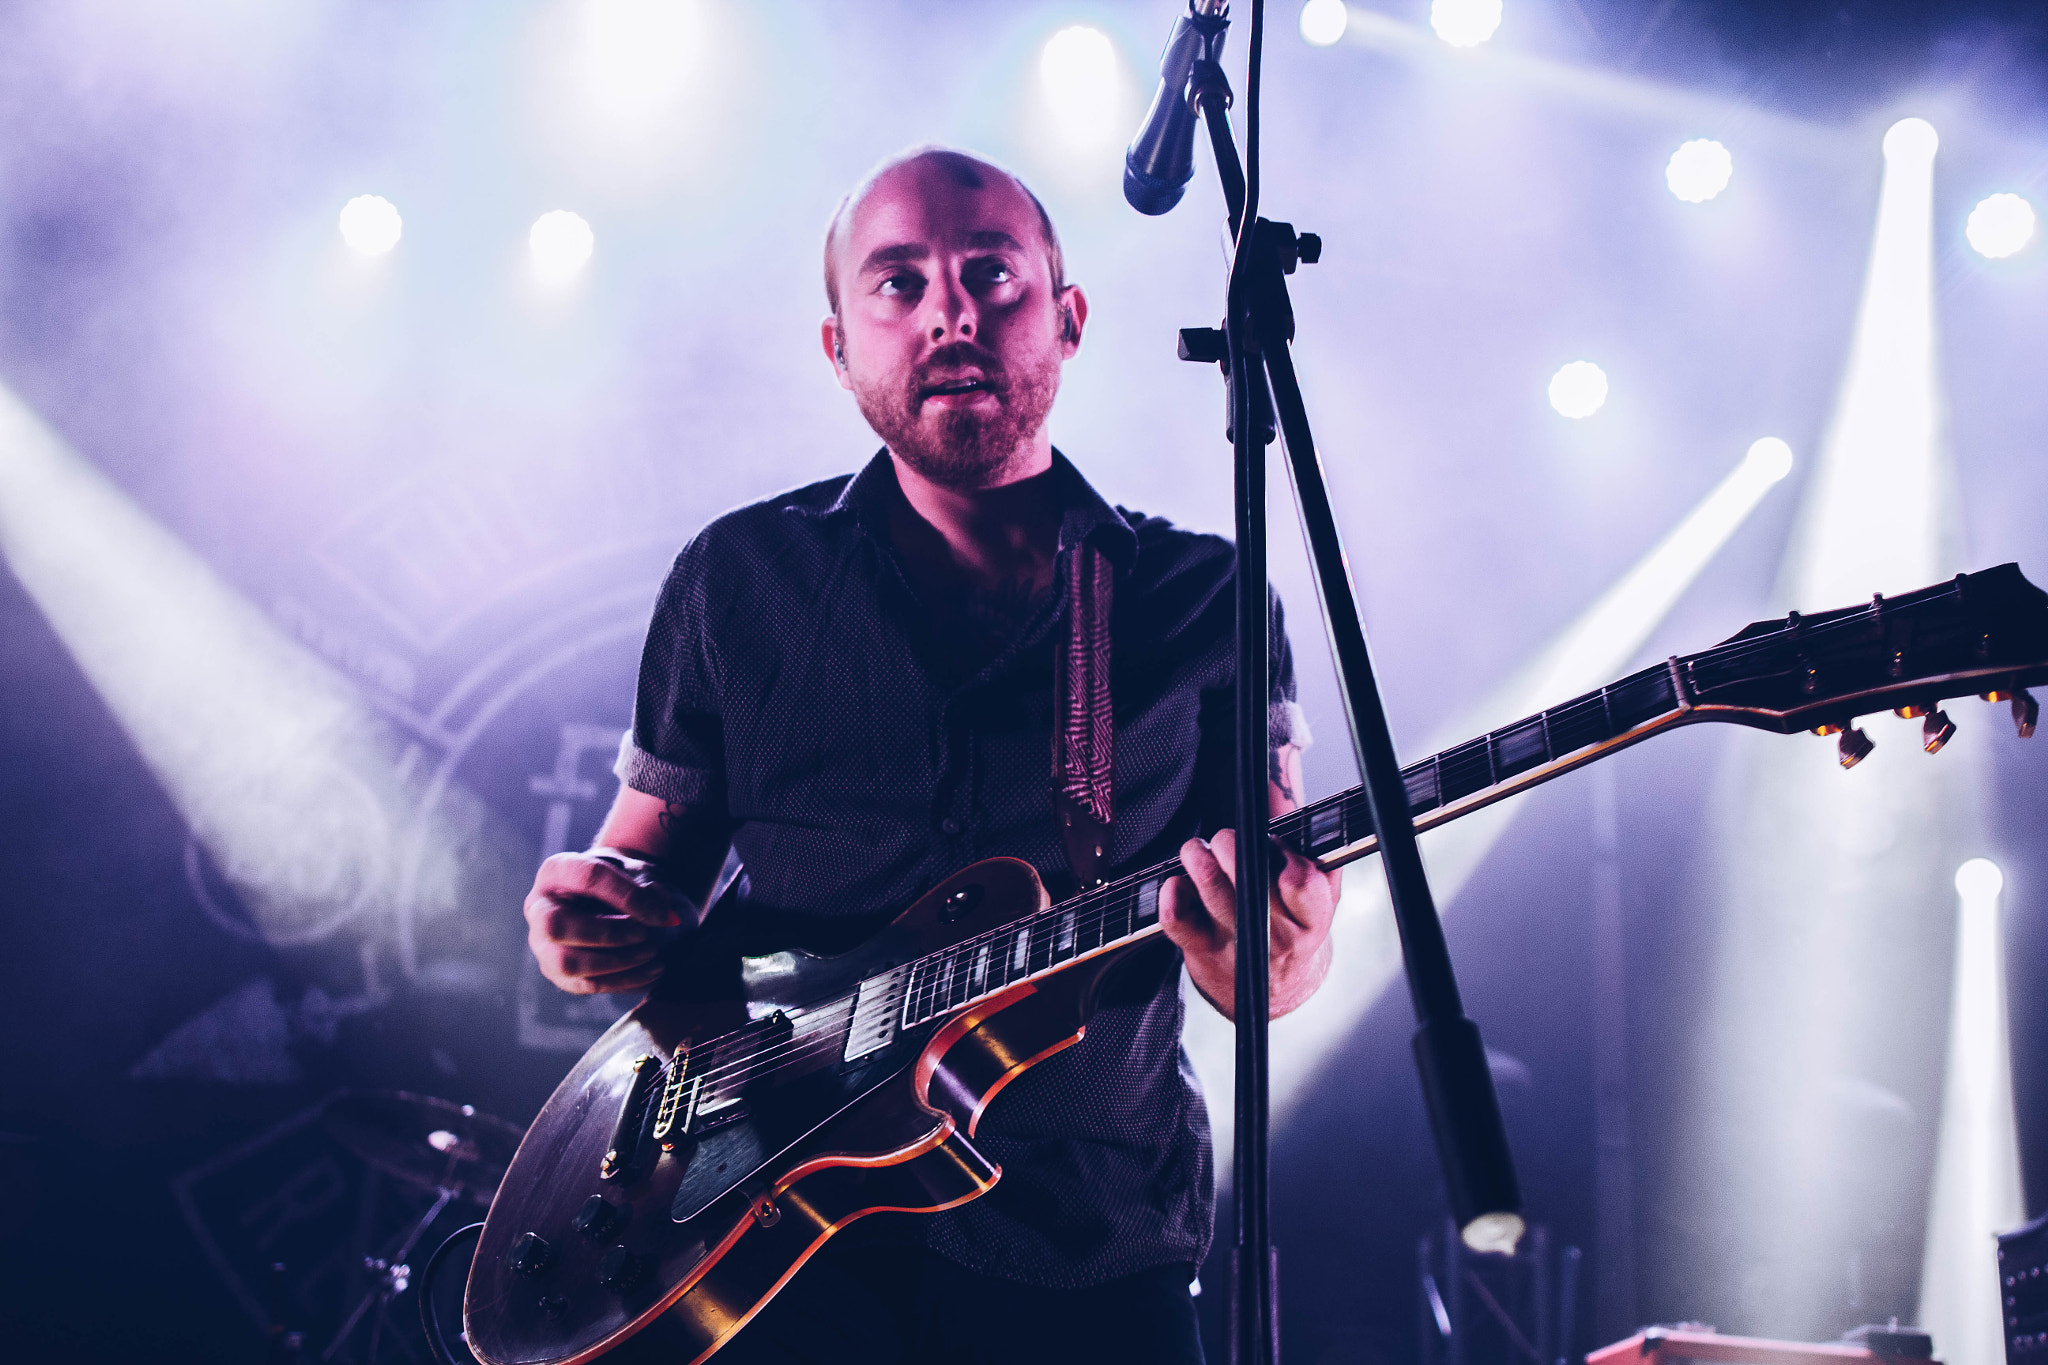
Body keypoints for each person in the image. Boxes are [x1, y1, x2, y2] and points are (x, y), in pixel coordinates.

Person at [521, 146, 1340, 1364]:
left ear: (1065, 321)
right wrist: (592, 911)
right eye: (896, 284)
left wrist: (1284, 953)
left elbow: (1260, 943)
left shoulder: (1201, 600)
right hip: (768, 1235)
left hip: (1083, 1239)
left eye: (991, 274)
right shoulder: (739, 581)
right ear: (837, 347)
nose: (950, 310)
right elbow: (642, 870)